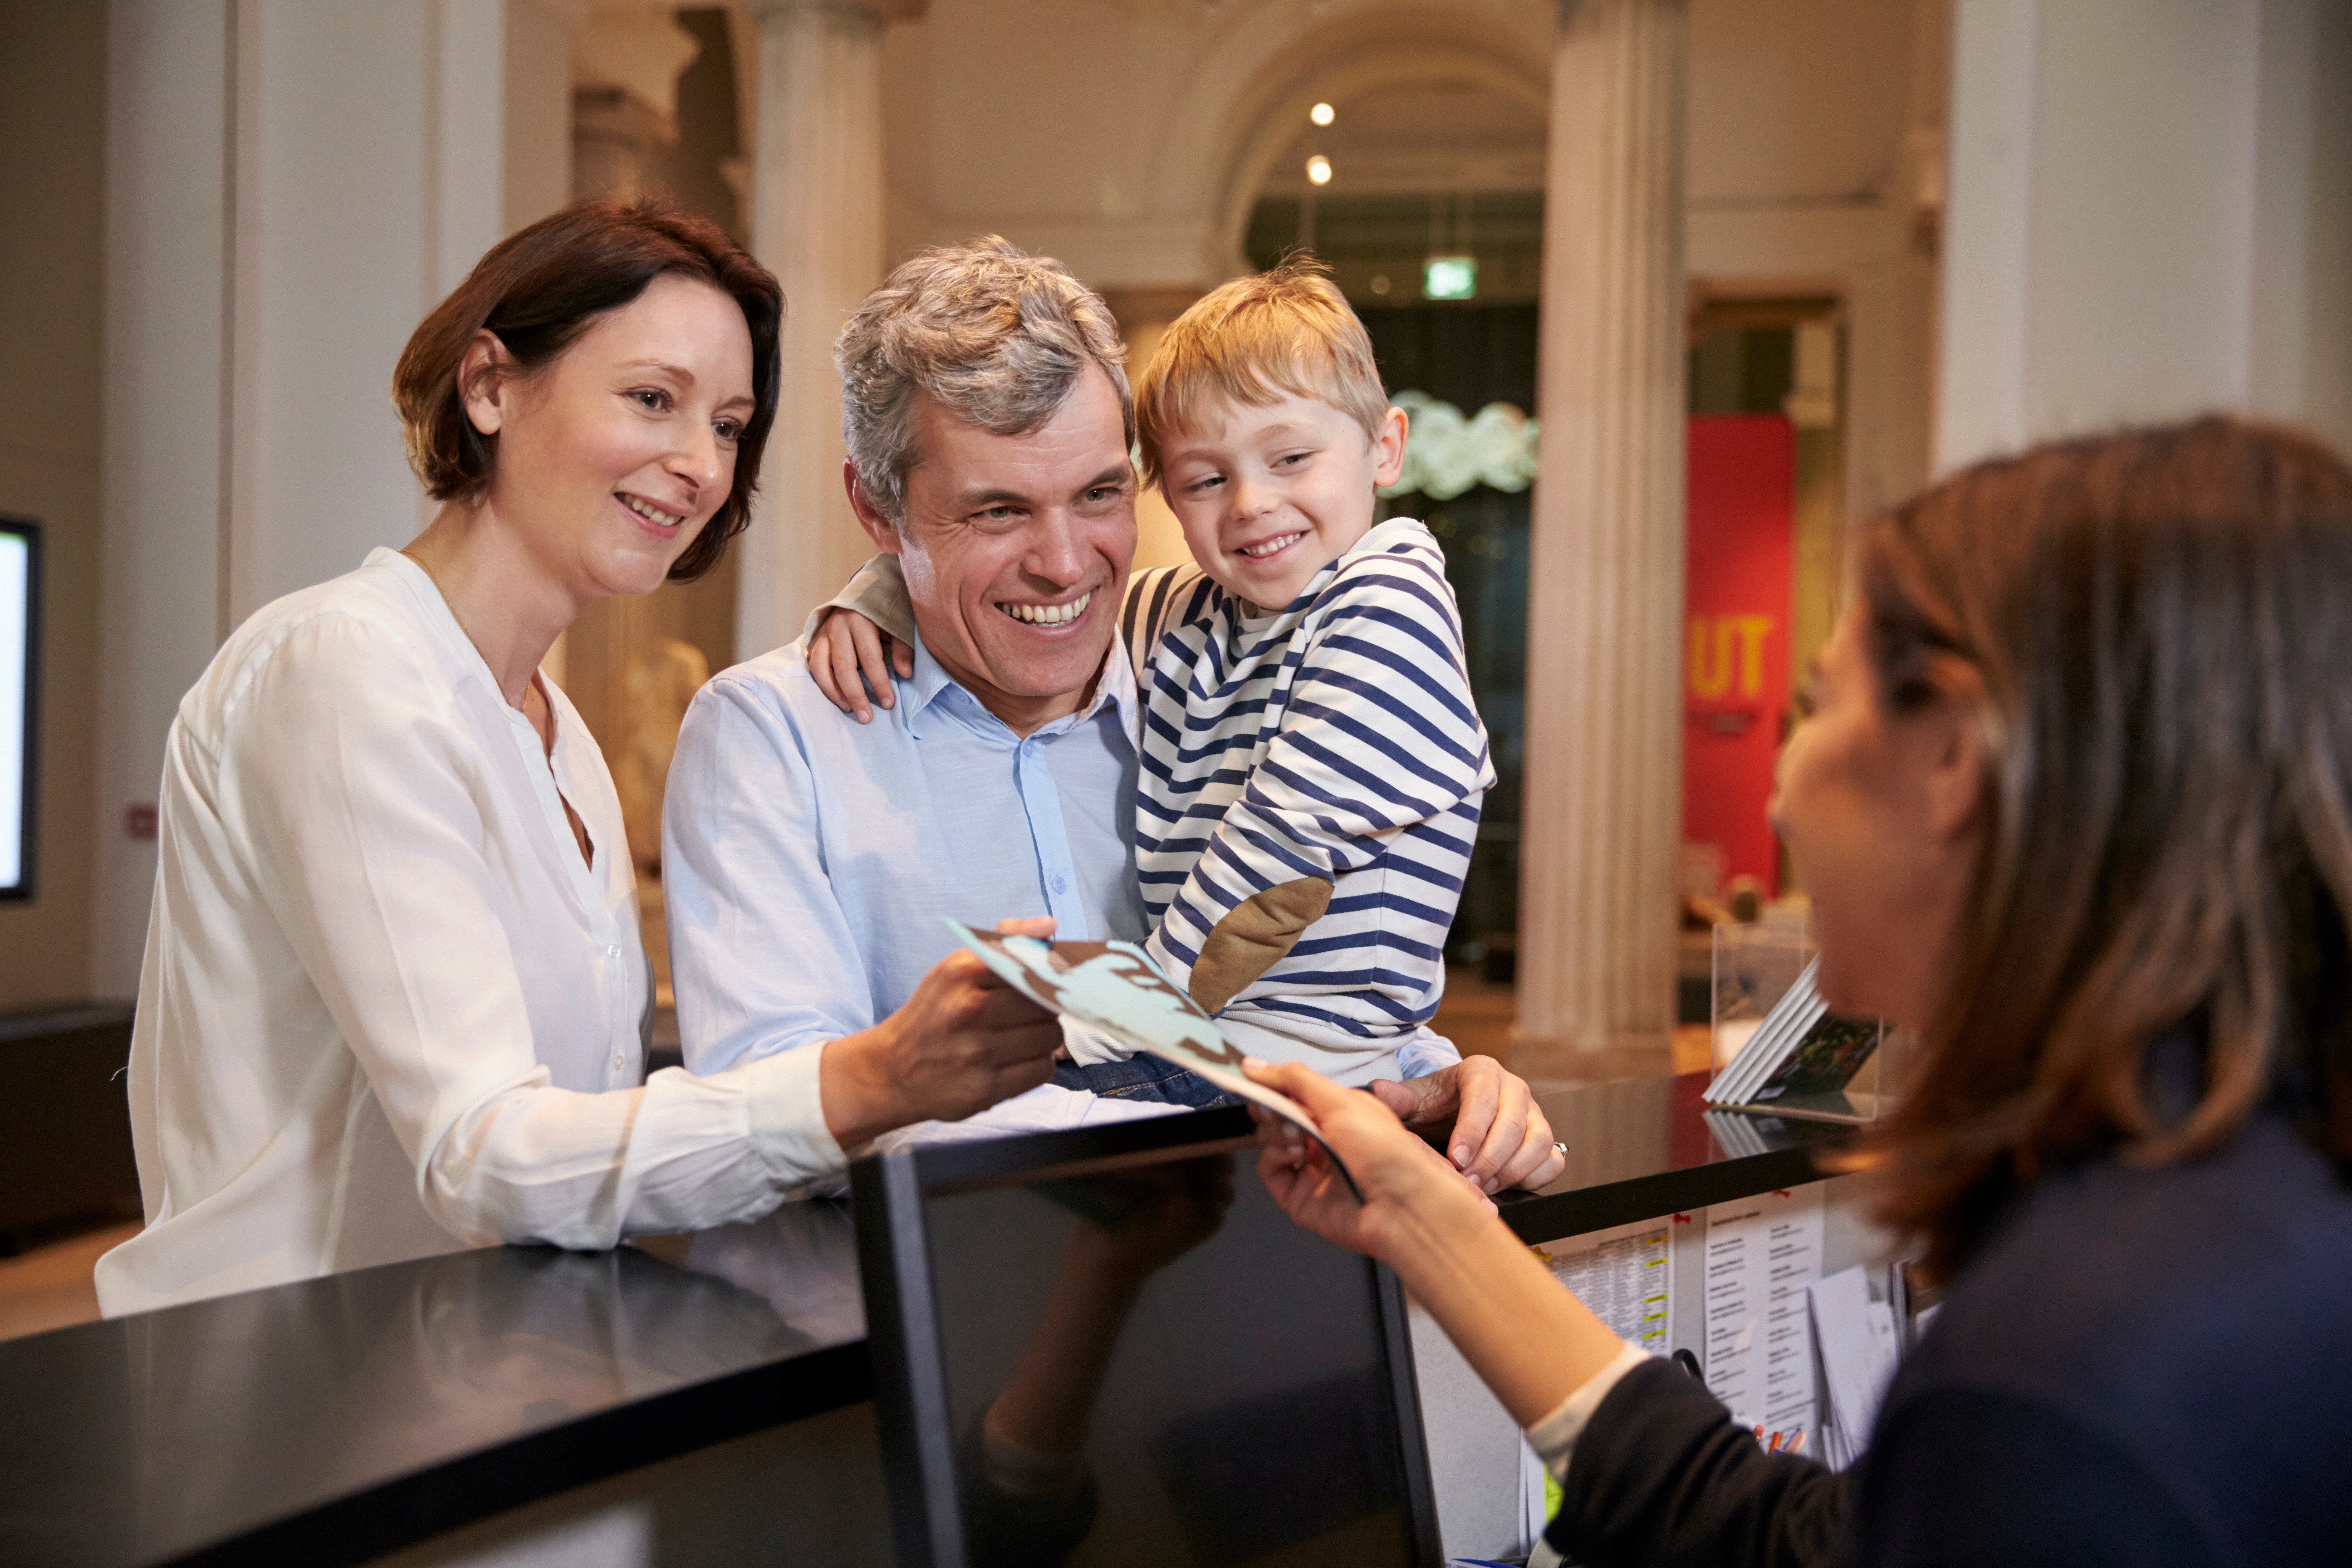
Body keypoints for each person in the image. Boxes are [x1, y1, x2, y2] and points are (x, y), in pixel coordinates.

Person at [1244, 417, 2352, 1566]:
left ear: (1954, 759)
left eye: (1818, 708)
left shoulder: (2069, 1378)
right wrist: (1429, 1224)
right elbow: (1802, 1542)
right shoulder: (2247, 1208)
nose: (1779, 797)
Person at [95, 201, 1065, 1316]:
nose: (699, 463)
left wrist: (896, 579)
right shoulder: (345, 667)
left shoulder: (559, 737)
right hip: (284, 1394)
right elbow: (483, 1153)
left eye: (730, 425)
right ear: (490, 386)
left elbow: (570, 1150)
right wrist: (872, 1078)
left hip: (474, 1373)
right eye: (653, 399)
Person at [663, 240, 1560, 1191]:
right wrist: (880, 593)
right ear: (879, 511)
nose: (1064, 565)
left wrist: (1440, 1084)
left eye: (1097, 495)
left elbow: (1306, 976)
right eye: (998, 511)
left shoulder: (1187, 660)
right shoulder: (771, 740)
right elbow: (777, 1109)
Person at [806, 260, 1506, 1108]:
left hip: (1308, 1051)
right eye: (1206, 480)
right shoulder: (1197, 610)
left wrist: (1110, 1026)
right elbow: (1046, 604)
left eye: (1291, 458)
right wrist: (882, 594)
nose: (1251, 503)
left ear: (1384, 447)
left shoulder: (1391, 610)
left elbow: (1274, 865)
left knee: (1019, 1119)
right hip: (1217, 1031)